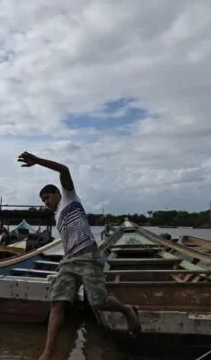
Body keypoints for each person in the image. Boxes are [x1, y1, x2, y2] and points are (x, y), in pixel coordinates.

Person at [17, 151, 140, 360]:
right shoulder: (57, 216)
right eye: (43, 201)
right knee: (57, 302)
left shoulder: (69, 198)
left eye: (47, 197)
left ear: (57, 193)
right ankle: (48, 353)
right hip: (69, 261)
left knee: (98, 302)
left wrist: (37, 161)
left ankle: (127, 310)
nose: (46, 202)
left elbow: (64, 169)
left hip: (88, 256)